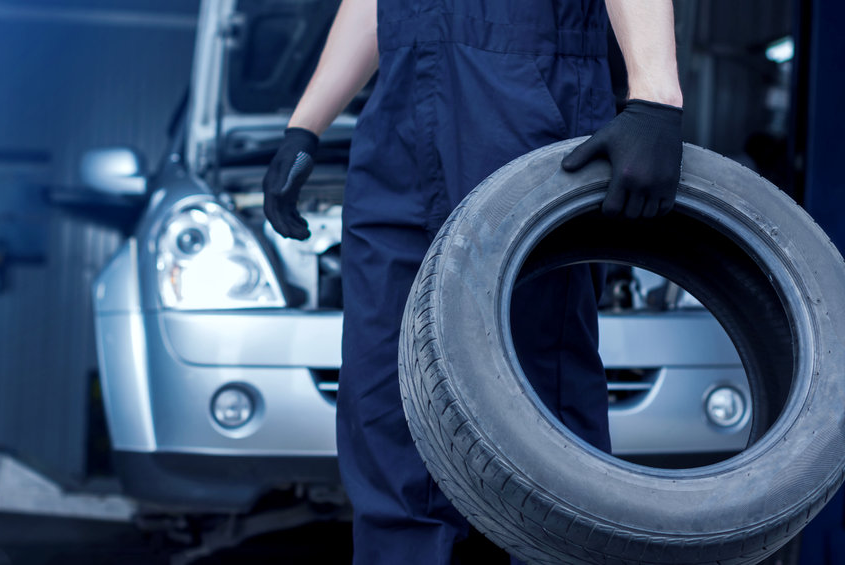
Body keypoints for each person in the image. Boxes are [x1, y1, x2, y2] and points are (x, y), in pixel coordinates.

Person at [263, 0, 683, 563]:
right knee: (386, 389)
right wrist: (305, 125)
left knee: (537, 392)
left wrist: (655, 97)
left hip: (524, 88)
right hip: (398, 119)